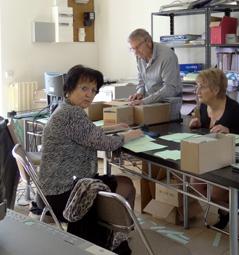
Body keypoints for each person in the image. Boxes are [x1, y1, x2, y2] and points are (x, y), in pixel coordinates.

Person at [38, 65, 143, 249]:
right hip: (65, 194)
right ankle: (114, 236)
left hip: (51, 191)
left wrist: (112, 128)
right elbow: (103, 143)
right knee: (126, 185)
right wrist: (128, 136)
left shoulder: (64, 109)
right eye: (84, 88)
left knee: (120, 183)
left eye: (93, 90)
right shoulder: (72, 114)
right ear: (69, 88)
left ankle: (112, 232)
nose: (89, 94)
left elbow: (87, 134)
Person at [189, 68, 239, 229]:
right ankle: (230, 209)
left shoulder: (234, 109)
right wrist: (197, 124)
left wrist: (230, 133)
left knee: (216, 192)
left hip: (236, 159)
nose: (197, 91)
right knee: (194, 184)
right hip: (213, 157)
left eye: (202, 87)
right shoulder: (204, 107)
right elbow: (208, 134)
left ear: (216, 90)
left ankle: (228, 210)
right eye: (196, 86)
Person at [127, 28, 182, 106]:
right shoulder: (139, 55)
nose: (135, 53)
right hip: (150, 102)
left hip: (168, 104)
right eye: (132, 49)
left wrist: (145, 101)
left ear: (148, 42)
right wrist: (139, 93)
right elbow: (142, 81)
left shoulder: (166, 56)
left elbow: (170, 88)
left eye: (137, 47)